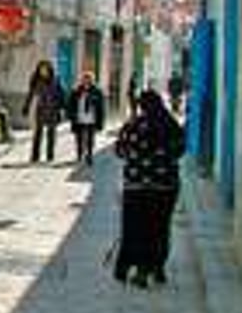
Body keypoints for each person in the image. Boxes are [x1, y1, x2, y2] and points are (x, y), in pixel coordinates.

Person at [114, 90, 186, 288]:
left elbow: (120, 151)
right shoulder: (171, 125)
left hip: (136, 187)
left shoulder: (133, 126)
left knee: (135, 227)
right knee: (159, 228)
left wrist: (136, 158)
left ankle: (133, 269)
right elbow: (180, 150)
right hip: (165, 187)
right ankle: (157, 268)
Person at [22, 60, 65, 163]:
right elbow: (30, 94)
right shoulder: (36, 80)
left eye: (45, 69)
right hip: (41, 109)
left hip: (53, 109)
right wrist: (26, 107)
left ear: (49, 70)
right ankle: (35, 156)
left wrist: (62, 108)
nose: (43, 71)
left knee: (51, 134)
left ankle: (50, 156)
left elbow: (61, 94)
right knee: (38, 133)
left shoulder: (55, 80)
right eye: (41, 69)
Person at [67, 71, 106, 166]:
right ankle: (80, 154)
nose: (86, 81)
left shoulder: (97, 91)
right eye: (85, 79)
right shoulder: (76, 91)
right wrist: (71, 116)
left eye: (88, 79)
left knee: (90, 139)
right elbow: (71, 105)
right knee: (79, 138)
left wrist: (101, 122)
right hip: (79, 118)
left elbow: (101, 108)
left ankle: (89, 155)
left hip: (91, 119)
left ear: (92, 80)